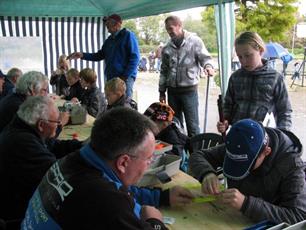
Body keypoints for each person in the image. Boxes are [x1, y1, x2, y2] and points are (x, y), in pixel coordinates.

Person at [22, 107, 194, 229]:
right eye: (149, 159)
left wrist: (162, 197)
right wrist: (155, 222)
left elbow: (118, 188)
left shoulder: (72, 161)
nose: (149, 164)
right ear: (123, 163)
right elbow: (111, 200)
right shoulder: (105, 203)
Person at [189, 119, 306, 224]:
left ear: (267, 151)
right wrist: (207, 173)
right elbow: (198, 156)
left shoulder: (292, 166)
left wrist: (246, 204)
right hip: (233, 217)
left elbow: (298, 216)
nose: (238, 166)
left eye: (245, 164)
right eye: (233, 161)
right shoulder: (242, 143)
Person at [0, 96, 83, 221]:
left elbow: (53, 145)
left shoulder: (23, 128)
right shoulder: (23, 143)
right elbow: (59, 174)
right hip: (17, 215)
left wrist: (81, 146)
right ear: (41, 125)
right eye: (57, 122)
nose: (59, 125)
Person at [217, 32, 292, 134]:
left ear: (260, 51)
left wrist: (282, 136)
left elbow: (285, 111)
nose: (243, 61)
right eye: (240, 57)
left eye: (248, 55)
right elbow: (228, 106)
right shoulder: (235, 78)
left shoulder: (275, 78)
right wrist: (225, 121)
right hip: (239, 134)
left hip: (265, 137)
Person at [159, 15, 215, 137]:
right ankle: (181, 153)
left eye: (171, 28)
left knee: (193, 127)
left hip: (189, 92)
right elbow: (163, 71)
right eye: (167, 29)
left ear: (179, 26)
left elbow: (206, 58)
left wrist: (208, 67)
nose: (169, 32)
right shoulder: (166, 48)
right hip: (172, 92)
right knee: (176, 125)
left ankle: (195, 154)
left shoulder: (195, 41)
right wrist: (162, 91)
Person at [67, 14, 140, 98]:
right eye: (106, 23)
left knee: (125, 102)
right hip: (111, 77)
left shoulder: (128, 35)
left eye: (109, 22)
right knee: (112, 102)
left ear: (118, 24)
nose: (106, 25)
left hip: (125, 78)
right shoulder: (109, 40)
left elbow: (135, 58)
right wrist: (82, 55)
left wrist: (124, 77)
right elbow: (99, 55)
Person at [144, 102, 190, 172]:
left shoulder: (173, 136)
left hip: (178, 169)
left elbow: (177, 156)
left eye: (152, 125)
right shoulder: (158, 131)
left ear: (164, 124)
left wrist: (159, 153)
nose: (149, 128)